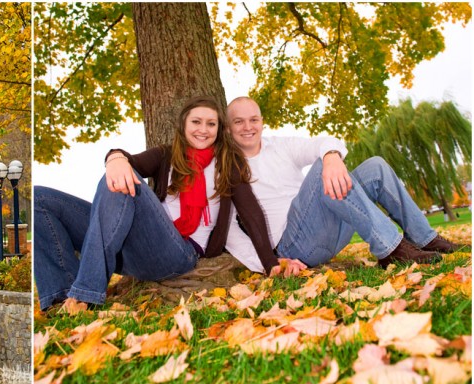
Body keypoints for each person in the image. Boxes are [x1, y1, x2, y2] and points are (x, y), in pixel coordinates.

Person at [35, 95, 302, 311]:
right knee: (40, 199)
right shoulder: (165, 156)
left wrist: (271, 263)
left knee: (126, 182)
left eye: (211, 124)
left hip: (176, 252)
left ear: (220, 130)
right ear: (184, 126)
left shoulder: (227, 165)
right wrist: (115, 157)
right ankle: (62, 297)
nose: (203, 129)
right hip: (125, 246)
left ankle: (87, 295)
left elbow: (251, 212)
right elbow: (130, 161)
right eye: (196, 122)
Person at [223, 96, 462, 272]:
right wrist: (270, 264)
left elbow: (325, 141)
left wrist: (331, 156)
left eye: (253, 119)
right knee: (320, 171)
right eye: (239, 122)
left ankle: (425, 238)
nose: (248, 127)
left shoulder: (280, 146)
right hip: (293, 246)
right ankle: (391, 250)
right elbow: (229, 233)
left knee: (375, 167)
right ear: (228, 127)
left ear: (262, 121)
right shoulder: (226, 168)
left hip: (328, 230)